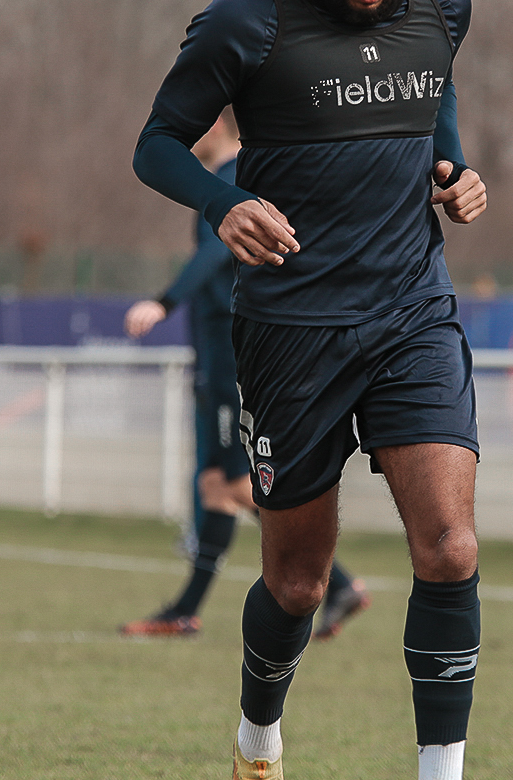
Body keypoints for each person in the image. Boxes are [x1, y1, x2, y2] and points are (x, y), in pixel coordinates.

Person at [131, 0, 504, 780]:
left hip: (411, 314)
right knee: (296, 581)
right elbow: (156, 142)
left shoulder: (444, 5)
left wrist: (454, 174)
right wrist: (223, 202)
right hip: (292, 331)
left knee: (449, 546)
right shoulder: (245, 20)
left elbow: (433, 99)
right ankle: (256, 754)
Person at [120, 112, 371, 639]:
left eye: (197, 121)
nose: (187, 132)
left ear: (216, 125)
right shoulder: (222, 178)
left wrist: (164, 302)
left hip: (233, 357)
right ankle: (185, 612)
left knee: (236, 483)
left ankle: (337, 581)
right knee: (215, 484)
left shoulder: (237, 175)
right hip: (215, 357)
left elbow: (217, 251)